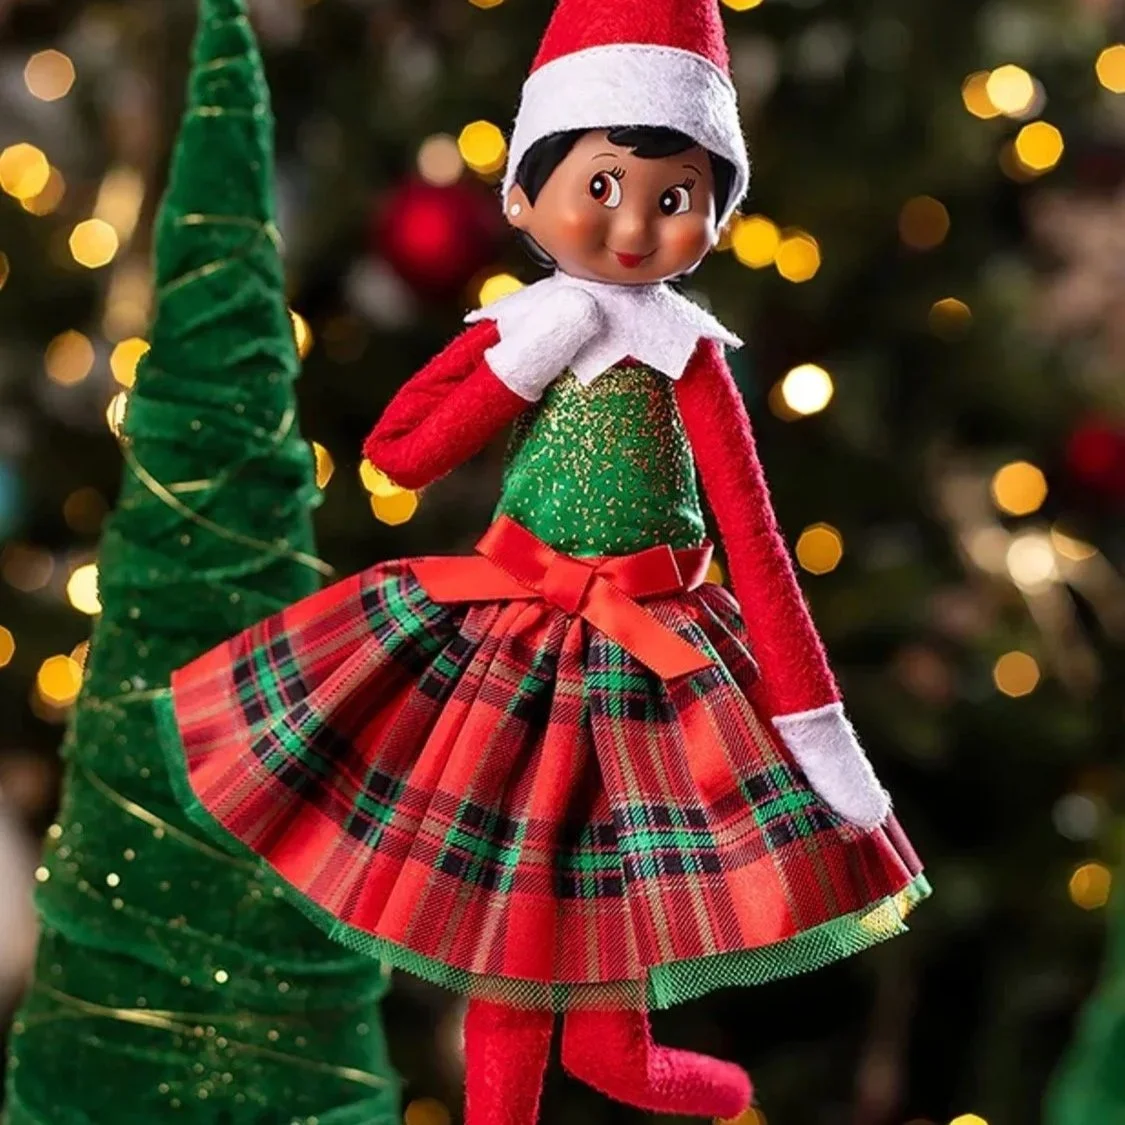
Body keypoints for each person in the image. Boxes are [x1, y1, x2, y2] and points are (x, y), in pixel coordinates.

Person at [160, 0, 930, 1120]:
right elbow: (401, 455)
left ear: (717, 210)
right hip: (506, 644)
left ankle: (682, 1085)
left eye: (675, 199)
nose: (632, 228)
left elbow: (758, 550)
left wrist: (816, 728)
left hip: (654, 665)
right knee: (510, 966)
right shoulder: (519, 327)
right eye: (602, 186)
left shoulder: (691, 357)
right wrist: (528, 361)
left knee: (609, 972)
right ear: (525, 195)